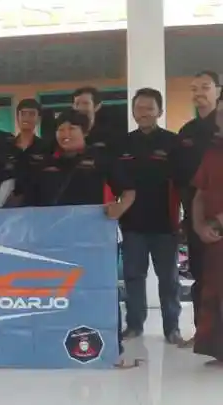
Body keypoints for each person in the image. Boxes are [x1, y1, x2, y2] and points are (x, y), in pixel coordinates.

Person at [29, 109, 137, 368]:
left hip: (94, 241)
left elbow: (129, 191)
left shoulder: (101, 159)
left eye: (72, 128)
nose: (65, 134)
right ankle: (56, 345)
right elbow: (30, 201)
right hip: (54, 243)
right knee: (57, 292)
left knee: (99, 291)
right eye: (60, 129)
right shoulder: (46, 163)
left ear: (85, 132)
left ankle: (111, 348)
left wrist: (119, 208)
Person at [115, 88, 182, 344]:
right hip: (132, 224)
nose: (143, 113)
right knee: (133, 277)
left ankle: (172, 328)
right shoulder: (123, 144)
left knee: (169, 279)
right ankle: (134, 324)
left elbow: (182, 182)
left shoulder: (172, 142)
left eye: (149, 108)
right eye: (138, 108)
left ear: (159, 111)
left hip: (165, 223)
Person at [173, 70, 221, 348]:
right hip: (196, 214)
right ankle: (203, 335)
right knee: (201, 274)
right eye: (194, 88)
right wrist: (191, 218)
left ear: (218, 90)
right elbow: (181, 179)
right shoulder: (187, 132)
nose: (199, 93)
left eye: (205, 87)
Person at [190, 106, 223, 364]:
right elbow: (200, 194)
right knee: (214, 292)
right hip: (214, 237)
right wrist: (199, 225)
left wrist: (218, 221)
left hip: (218, 226)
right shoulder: (212, 152)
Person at [10, 99, 50, 207]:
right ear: (17, 117)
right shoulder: (6, 146)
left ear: (38, 118)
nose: (27, 118)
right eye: (23, 114)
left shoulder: (46, 147)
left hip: (39, 206)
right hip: (10, 208)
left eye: (32, 114)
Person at [72, 86, 119, 154]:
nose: (80, 108)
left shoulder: (110, 133)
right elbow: (58, 154)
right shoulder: (66, 130)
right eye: (77, 103)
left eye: (85, 103)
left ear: (97, 106)